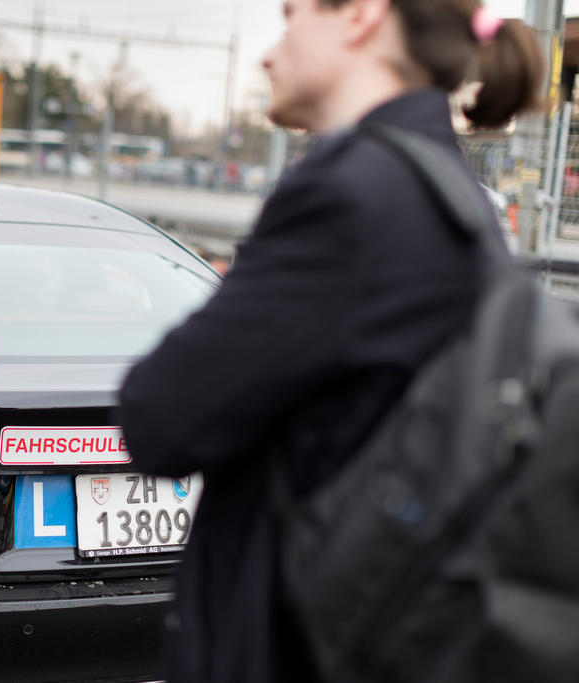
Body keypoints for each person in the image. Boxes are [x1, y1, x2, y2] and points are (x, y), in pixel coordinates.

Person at [118, 1, 543, 681]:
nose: (268, 52)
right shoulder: (454, 192)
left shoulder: (351, 190)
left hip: (286, 639)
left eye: (290, 18)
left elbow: (160, 418)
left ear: (361, 17)